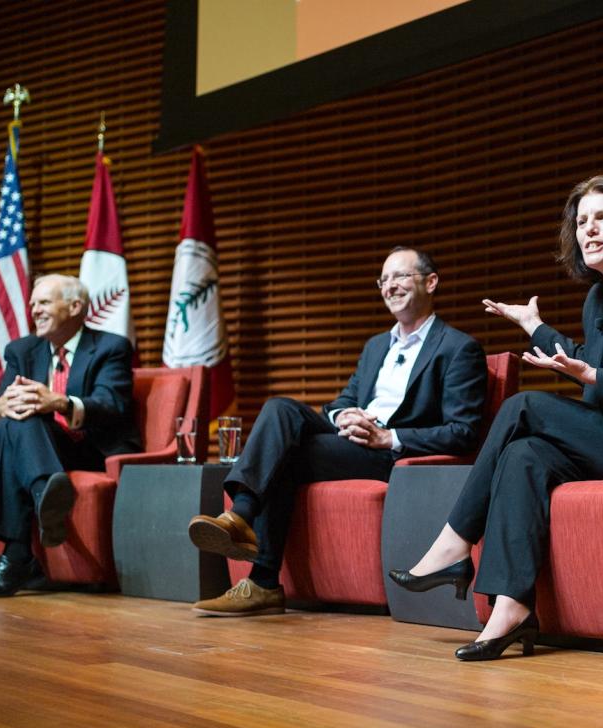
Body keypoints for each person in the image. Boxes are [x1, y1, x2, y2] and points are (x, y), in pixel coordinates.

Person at [389, 175, 603, 660]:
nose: (589, 230)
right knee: (525, 453)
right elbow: (588, 362)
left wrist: (593, 375)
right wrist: (535, 327)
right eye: (581, 222)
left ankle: (454, 543)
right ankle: (510, 607)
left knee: (523, 406)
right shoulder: (599, 298)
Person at [188, 246, 487, 616]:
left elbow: (463, 432)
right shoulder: (377, 345)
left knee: (286, 455)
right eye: (384, 279)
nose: (390, 286)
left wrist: (387, 437)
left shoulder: (459, 348)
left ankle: (260, 575)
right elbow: (338, 402)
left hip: (389, 454)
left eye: (400, 276)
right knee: (280, 408)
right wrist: (343, 416)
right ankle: (241, 519)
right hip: (350, 441)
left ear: (431, 281)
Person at [0, 274, 140, 598]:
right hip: (37, 446)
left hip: (86, 446)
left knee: (20, 421)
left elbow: (111, 405)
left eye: (43, 302)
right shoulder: (22, 350)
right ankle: (46, 494)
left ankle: (17, 556)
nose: (34, 311)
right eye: (31, 303)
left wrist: (57, 402)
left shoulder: (111, 347)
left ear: (74, 306)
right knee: (14, 419)